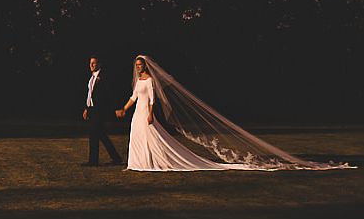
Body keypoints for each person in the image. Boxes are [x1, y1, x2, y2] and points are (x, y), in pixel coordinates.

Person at [121, 54, 354, 171]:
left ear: (146, 66)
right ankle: (139, 162)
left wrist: (151, 113)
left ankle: (150, 162)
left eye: (141, 64)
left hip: (146, 112)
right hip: (136, 112)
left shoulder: (150, 80)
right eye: (137, 64)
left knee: (151, 135)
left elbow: (151, 99)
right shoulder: (137, 80)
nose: (139, 67)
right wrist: (123, 109)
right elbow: (134, 97)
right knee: (138, 136)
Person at [82, 56, 124, 167]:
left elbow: (110, 93)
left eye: (94, 63)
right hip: (91, 109)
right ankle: (116, 158)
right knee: (101, 135)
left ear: (99, 64)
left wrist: (116, 108)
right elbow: (90, 94)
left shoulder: (104, 77)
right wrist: (87, 108)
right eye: (90, 63)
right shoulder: (91, 78)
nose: (91, 65)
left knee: (93, 134)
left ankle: (93, 161)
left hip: (99, 110)